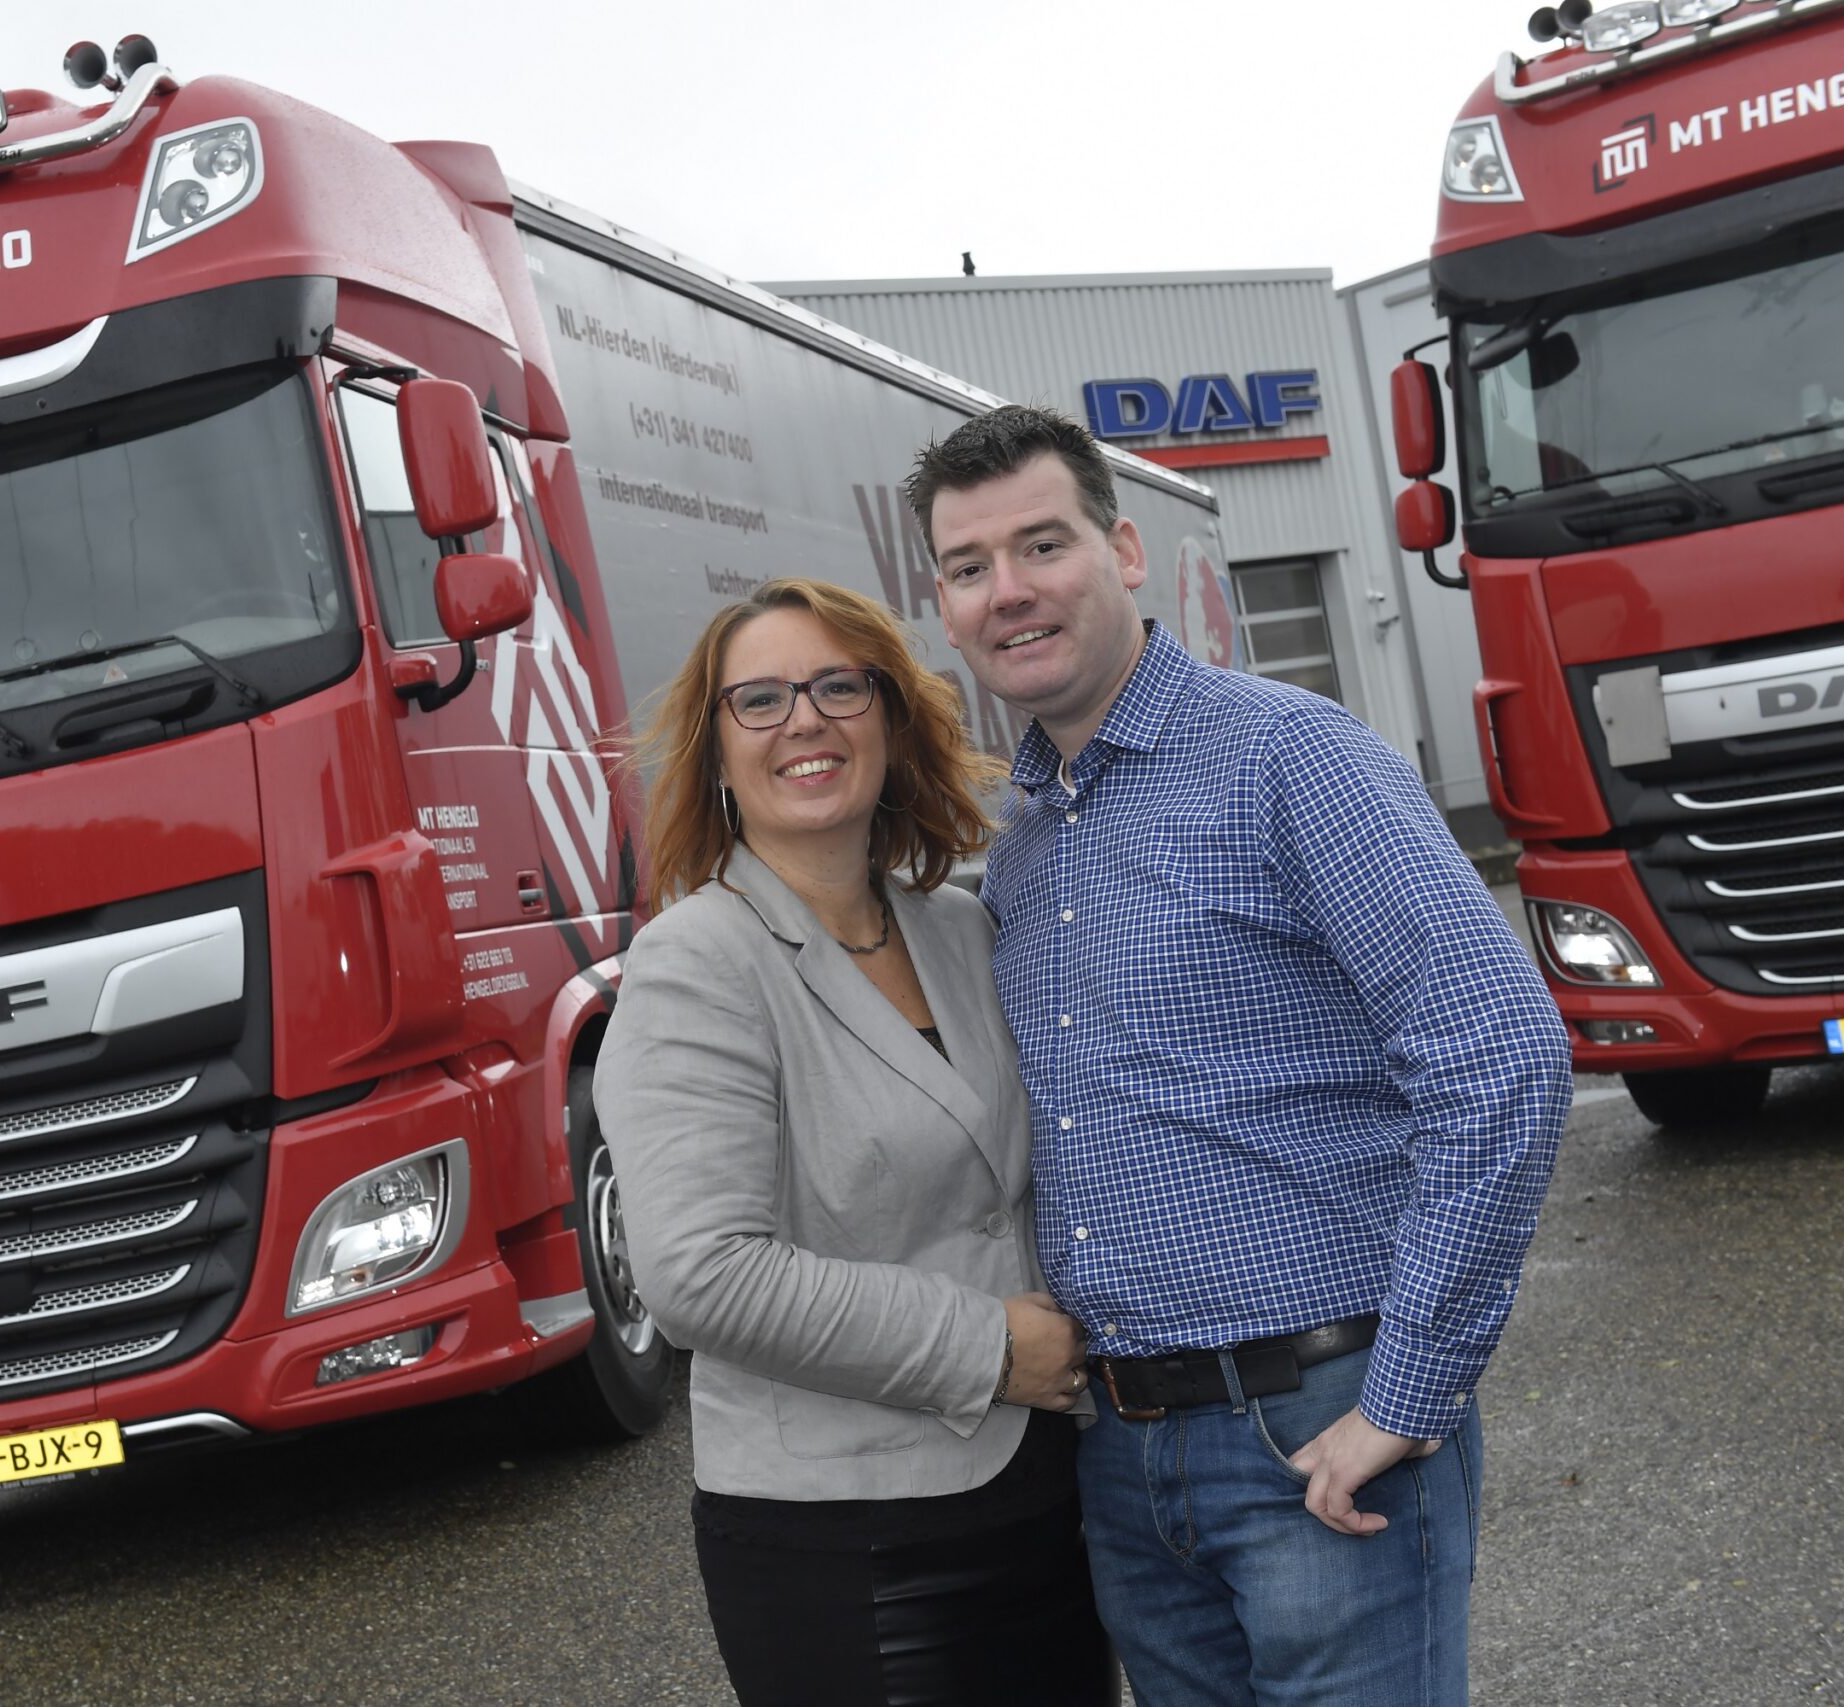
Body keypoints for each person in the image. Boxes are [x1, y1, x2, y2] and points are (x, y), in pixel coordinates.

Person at [909, 404, 1572, 1707]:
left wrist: (1408, 1394)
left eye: (1042, 545)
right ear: (943, 604)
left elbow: (1499, 1058)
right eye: (969, 565)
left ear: (1124, 551)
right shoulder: (1022, 838)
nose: (1009, 591)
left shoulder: (1287, 758)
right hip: (1125, 1453)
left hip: (1319, 1424)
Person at [592, 578, 1111, 1706]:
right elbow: (699, 1275)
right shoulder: (696, 963)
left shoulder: (963, 928)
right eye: (760, 699)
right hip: (849, 1554)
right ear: (716, 751)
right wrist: (986, 1347)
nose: (805, 721)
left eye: (839, 686)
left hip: (1047, 1502)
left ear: (891, 719)